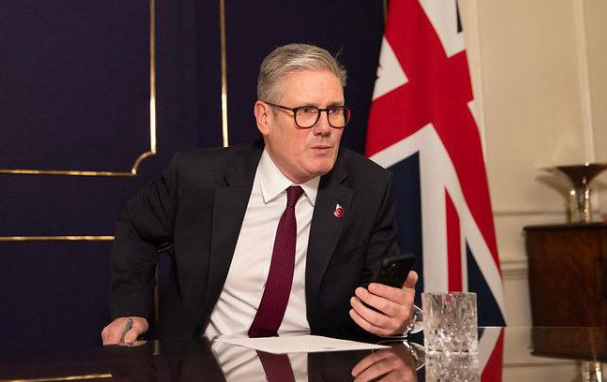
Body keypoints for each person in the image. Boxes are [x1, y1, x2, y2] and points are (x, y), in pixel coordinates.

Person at [101, 43, 418, 345]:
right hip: (208, 364)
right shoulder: (197, 177)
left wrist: (396, 319)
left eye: (334, 110)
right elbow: (136, 228)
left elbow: (380, 300)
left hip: (317, 367)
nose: (325, 128)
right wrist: (132, 310)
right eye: (306, 111)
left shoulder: (369, 187)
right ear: (264, 117)